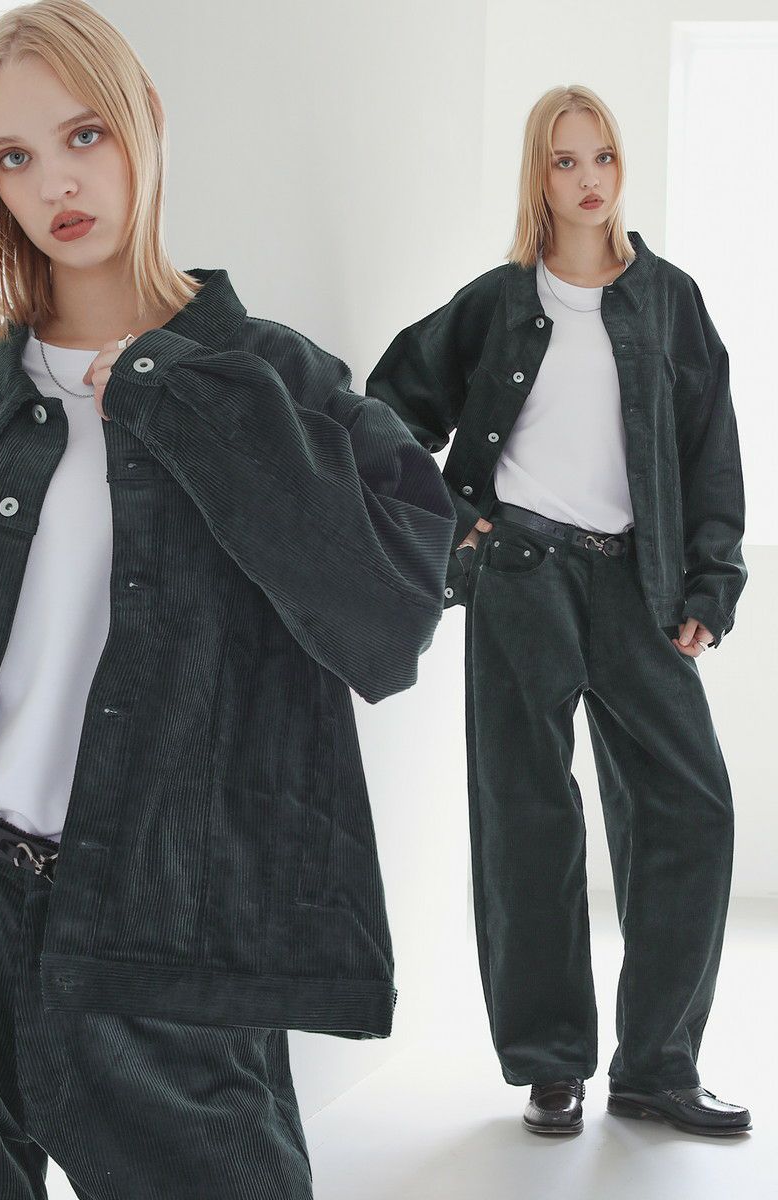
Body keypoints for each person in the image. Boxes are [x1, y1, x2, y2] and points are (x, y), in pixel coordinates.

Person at [0, 2, 457, 1194]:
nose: (55, 182)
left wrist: (179, 396)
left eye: (83, 134)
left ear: (146, 121)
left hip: (162, 951)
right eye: (14, 157)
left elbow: (391, 620)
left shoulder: (276, 382)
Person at [366, 84, 751, 1138]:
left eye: (603, 157)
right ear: (539, 175)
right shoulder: (498, 302)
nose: (588, 180)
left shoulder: (669, 301)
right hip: (522, 579)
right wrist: (459, 530)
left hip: (639, 587)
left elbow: (710, 450)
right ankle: (550, 1066)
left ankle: (658, 1065)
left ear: (622, 167)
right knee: (529, 821)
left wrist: (710, 585)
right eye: (565, 160)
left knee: (690, 809)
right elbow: (387, 410)